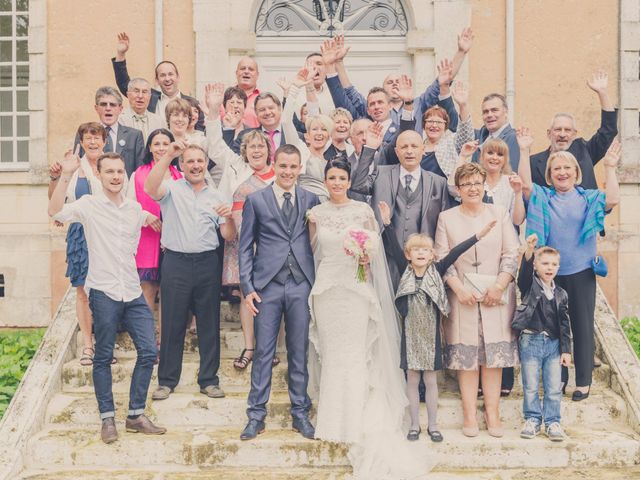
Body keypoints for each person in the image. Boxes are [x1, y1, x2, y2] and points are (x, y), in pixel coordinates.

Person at [307, 158, 430, 479]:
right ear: (325, 181)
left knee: (355, 354)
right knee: (332, 354)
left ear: (349, 181)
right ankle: (332, 419)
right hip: (327, 291)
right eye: (331, 177)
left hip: (355, 290)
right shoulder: (315, 214)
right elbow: (309, 252)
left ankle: (357, 418)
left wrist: (365, 255)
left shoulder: (362, 212)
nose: (336, 182)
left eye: (342, 178)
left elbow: (374, 254)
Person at [49, 151, 165, 444]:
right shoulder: (88, 205)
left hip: (132, 290)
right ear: (99, 175)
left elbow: (154, 217)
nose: (115, 176)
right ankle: (107, 419)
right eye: (109, 171)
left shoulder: (133, 209)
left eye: (119, 171)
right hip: (103, 291)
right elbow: (54, 211)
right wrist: (65, 175)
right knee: (102, 357)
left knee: (149, 351)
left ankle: (136, 415)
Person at [517, 128, 621, 401]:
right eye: (556, 168)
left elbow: (612, 199)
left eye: (567, 167)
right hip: (550, 274)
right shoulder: (543, 197)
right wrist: (525, 150)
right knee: (553, 329)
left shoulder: (588, 198)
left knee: (582, 325)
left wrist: (609, 168)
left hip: (581, 271)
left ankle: (583, 381)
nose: (562, 172)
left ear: (577, 172)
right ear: (550, 175)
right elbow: (525, 186)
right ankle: (558, 379)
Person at [383, 203, 496, 443]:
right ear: (408, 255)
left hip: (432, 335)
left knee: (431, 380)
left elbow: (456, 251)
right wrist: (386, 222)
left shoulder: (438, 269)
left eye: (425, 250)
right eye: (416, 250)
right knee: (412, 380)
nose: (421, 253)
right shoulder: (406, 270)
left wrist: (480, 235)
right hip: (411, 334)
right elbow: (392, 245)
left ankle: (433, 425)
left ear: (432, 254)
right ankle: (414, 424)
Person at [238, 144, 320, 441]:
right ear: (275, 165)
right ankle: (256, 416)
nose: (287, 172)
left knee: (299, 351)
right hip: (267, 286)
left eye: (293, 167)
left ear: (300, 168)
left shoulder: (311, 199)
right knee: (263, 353)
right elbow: (245, 247)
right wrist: (247, 287)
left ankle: (300, 413)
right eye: (282, 166)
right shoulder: (256, 200)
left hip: (300, 283)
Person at [144, 141, 235, 401]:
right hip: (176, 262)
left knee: (209, 323)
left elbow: (228, 236)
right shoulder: (171, 189)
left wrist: (228, 218)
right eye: (190, 161)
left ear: (206, 165)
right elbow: (149, 187)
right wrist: (169, 154)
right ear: (182, 166)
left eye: (200, 161)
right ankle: (167, 381)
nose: (196, 165)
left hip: (207, 263)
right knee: (172, 322)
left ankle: (209, 380)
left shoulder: (217, 195)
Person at [434, 162, 519, 438]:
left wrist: (500, 284)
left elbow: (511, 253)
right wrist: (457, 288)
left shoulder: (500, 213)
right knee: (467, 355)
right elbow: (441, 258)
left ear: (484, 186)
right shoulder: (446, 218)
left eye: (476, 183)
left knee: (492, 357)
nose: (472, 188)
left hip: (495, 294)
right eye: (466, 183)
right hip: (463, 296)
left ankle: (492, 412)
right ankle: (469, 412)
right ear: (458, 190)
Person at [350, 129, 451, 288]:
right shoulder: (381, 173)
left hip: (422, 262)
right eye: (404, 147)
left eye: (414, 146)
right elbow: (357, 185)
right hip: (386, 258)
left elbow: (443, 227)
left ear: (423, 150)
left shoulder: (439, 183)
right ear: (397, 152)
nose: (409, 151)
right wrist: (370, 149)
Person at [322, 30, 473, 135]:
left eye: (398, 81)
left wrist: (461, 52)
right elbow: (348, 92)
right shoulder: (371, 107)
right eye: (390, 82)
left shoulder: (418, 104)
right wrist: (338, 63)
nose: (394, 84)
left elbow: (444, 79)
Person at [50, 123, 114, 366]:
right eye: (88, 138)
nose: (93, 142)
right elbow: (55, 203)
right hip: (80, 234)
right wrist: (57, 176)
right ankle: (88, 345)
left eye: (97, 137)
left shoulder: (114, 166)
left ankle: (106, 344)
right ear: (82, 142)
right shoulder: (74, 167)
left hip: (107, 234)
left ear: (104, 141)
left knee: (107, 291)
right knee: (82, 291)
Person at [513, 234, 572, 442]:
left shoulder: (561, 294)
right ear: (537, 266)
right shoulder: (530, 286)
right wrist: (529, 251)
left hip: (554, 344)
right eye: (545, 263)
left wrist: (566, 350)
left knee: (554, 386)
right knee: (530, 384)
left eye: (554, 264)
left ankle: (553, 421)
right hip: (531, 341)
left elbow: (565, 324)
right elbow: (524, 275)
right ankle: (532, 419)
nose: (549, 267)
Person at [126, 129, 183, 338]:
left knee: (169, 290)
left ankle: (165, 337)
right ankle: (148, 337)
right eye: (156, 143)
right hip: (148, 236)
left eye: (165, 143)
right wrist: (146, 216)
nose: (161, 148)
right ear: (149, 147)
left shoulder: (181, 175)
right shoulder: (138, 174)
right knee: (148, 288)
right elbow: (129, 206)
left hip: (174, 238)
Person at [529, 71, 617, 190]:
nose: (562, 134)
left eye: (567, 130)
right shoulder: (533, 162)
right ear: (549, 133)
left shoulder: (585, 151)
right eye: (557, 129)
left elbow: (608, 130)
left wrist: (602, 93)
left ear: (574, 134)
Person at [112, 32, 204, 131]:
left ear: (178, 77)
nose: (167, 79)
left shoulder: (192, 103)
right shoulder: (150, 97)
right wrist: (121, 54)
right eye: (162, 75)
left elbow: (199, 131)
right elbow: (124, 84)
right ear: (157, 80)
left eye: (170, 74)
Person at [75, 86, 145, 177]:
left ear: (120, 109)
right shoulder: (84, 133)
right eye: (103, 104)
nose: (108, 108)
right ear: (96, 108)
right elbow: (75, 166)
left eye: (112, 104)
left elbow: (140, 172)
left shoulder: (134, 136)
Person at [472, 93, 519, 171]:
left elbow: (511, 172)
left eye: (494, 110)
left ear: (506, 112)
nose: (489, 115)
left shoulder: (514, 138)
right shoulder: (480, 136)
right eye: (485, 112)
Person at [118, 77, 164, 142]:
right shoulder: (119, 119)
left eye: (144, 92)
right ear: (128, 94)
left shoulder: (159, 122)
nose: (140, 96)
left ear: (150, 96)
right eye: (136, 91)